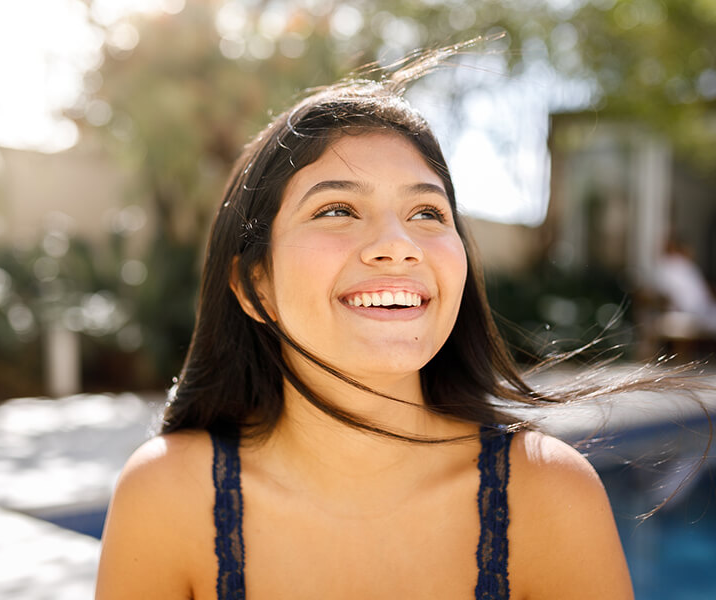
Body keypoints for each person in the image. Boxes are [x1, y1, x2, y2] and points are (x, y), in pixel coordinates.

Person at [95, 46, 636, 599]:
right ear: (255, 285)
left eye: (426, 212)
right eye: (338, 210)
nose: (398, 246)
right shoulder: (168, 499)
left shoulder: (549, 496)